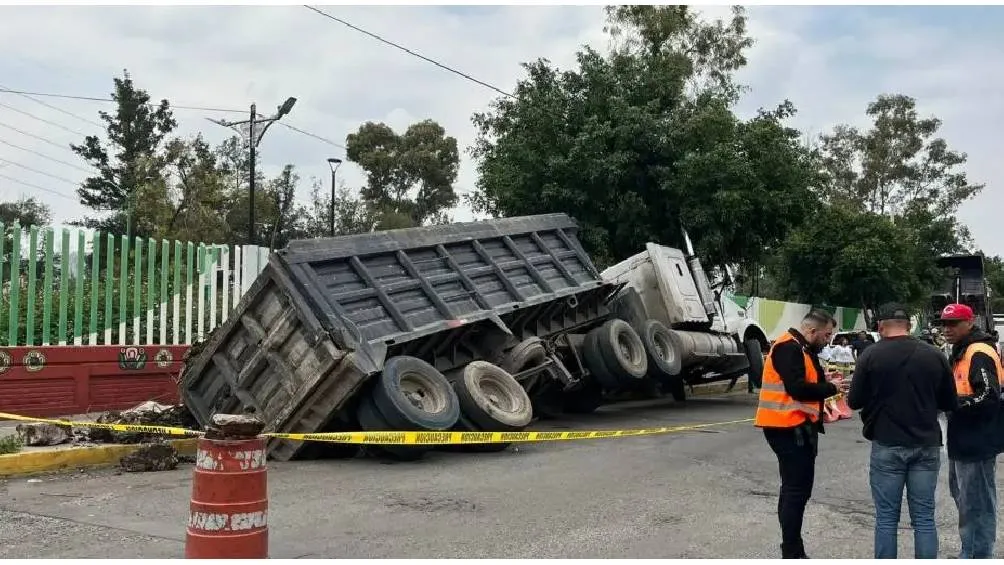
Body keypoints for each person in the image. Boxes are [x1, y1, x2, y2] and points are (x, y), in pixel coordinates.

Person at [847, 303, 957, 559]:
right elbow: (950, 403)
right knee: (924, 518)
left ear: (880, 326)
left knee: (886, 519)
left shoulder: (870, 355)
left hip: (887, 443)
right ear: (909, 326)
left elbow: (854, 402)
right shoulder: (934, 355)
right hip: (927, 443)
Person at [754, 309, 847, 559]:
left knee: (795, 490)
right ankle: (792, 551)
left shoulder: (801, 348)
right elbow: (796, 388)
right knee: (796, 491)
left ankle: (792, 548)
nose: (829, 340)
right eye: (827, 335)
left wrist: (821, 378)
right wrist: (830, 387)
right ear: (811, 331)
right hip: (787, 428)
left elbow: (799, 380)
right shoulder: (789, 347)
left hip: (794, 427)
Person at [939, 303, 1003, 559]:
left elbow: (988, 396)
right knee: (965, 500)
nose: (947, 329)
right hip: (963, 439)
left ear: (970, 322)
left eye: (953, 323)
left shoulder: (979, 352)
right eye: (944, 323)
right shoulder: (963, 350)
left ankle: (978, 556)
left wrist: (954, 405)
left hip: (977, 441)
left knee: (976, 504)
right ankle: (972, 551)